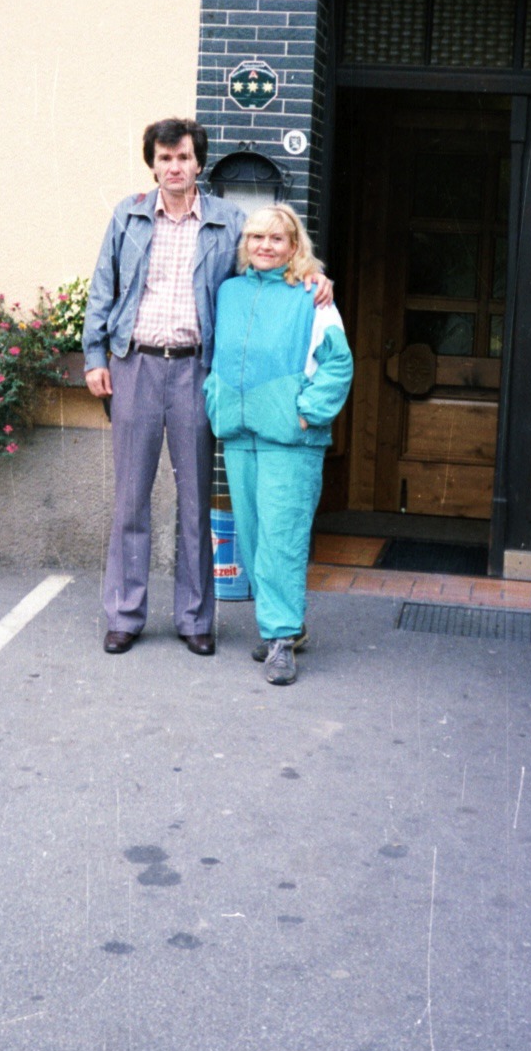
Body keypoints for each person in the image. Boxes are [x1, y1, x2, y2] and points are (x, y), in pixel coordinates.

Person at [82, 119, 331, 657]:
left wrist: (315, 277)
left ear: (199, 164)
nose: (175, 167)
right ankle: (125, 614)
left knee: (196, 498)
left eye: (185, 158)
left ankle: (196, 619)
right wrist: (94, 356)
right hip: (136, 366)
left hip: (197, 369)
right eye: (165, 158)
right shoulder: (126, 217)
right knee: (130, 499)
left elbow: (270, 264)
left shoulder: (228, 221)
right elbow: (103, 288)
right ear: (153, 164)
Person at [204, 204, 352, 686]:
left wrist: (307, 411)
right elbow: (214, 356)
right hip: (241, 434)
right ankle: (281, 627)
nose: (265, 246)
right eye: (255, 238)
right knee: (252, 539)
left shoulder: (311, 295)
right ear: (244, 244)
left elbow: (337, 364)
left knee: (281, 541)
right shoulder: (229, 292)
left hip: (291, 438)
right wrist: (216, 402)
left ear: (294, 246)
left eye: (276, 239)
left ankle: (282, 640)